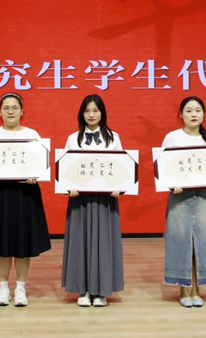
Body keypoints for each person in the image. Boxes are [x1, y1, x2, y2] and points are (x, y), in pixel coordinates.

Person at [0, 93, 51, 307]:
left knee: (22, 242)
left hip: (24, 194)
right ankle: (3, 287)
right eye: (6, 108)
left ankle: (20, 287)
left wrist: (36, 175)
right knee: (1, 242)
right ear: (0, 112)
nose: (10, 111)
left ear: (22, 111)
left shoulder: (32, 135)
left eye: (15, 108)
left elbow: (40, 165)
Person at [61, 94, 124, 307]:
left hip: (105, 200)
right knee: (81, 241)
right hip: (80, 199)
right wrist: (68, 186)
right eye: (87, 111)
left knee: (104, 243)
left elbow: (121, 168)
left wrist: (120, 187)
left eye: (95, 110)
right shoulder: (73, 138)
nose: (91, 115)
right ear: (81, 113)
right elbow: (66, 168)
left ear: (102, 113)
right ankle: (83, 290)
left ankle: (101, 292)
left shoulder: (114, 138)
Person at [163, 96, 206, 308]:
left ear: (204, 113)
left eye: (198, 110)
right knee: (181, 242)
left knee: (203, 241)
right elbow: (164, 167)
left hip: (205, 197)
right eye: (188, 111)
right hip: (180, 198)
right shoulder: (172, 137)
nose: (194, 114)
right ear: (181, 114)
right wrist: (172, 184)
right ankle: (183, 290)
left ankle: (197, 290)